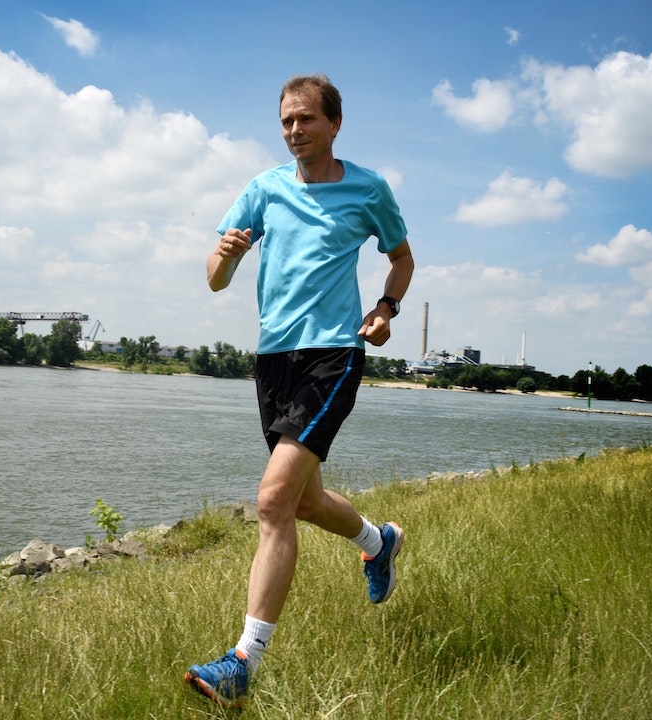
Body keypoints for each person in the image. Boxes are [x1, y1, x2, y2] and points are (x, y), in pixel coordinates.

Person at [184, 74, 415, 707]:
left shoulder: (368, 189)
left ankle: (242, 662)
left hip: (334, 354)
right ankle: (378, 542)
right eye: (286, 121)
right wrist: (227, 255)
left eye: (306, 119)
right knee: (306, 503)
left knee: (273, 502)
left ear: (335, 124)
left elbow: (401, 256)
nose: (294, 131)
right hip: (273, 360)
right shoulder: (263, 190)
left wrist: (387, 307)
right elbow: (214, 280)